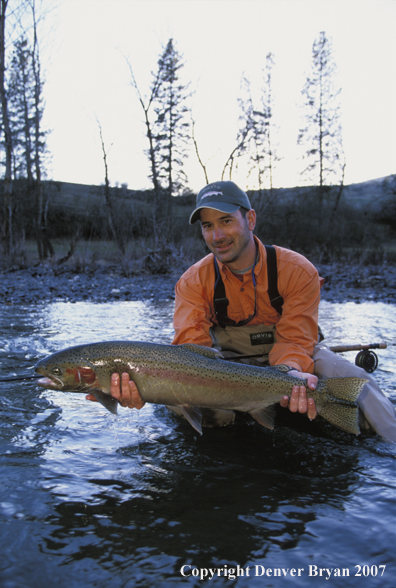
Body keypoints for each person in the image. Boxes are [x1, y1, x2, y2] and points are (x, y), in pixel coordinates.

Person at [87, 181, 396, 442]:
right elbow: (191, 354)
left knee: (361, 385)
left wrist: (289, 376)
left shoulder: (298, 271)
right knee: (213, 416)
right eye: (208, 226)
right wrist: (149, 389)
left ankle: (390, 447)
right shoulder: (192, 282)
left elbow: (296, 341)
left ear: (250, 219)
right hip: (224, 365)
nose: (217, 236)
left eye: (225, 221)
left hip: (291, 358)